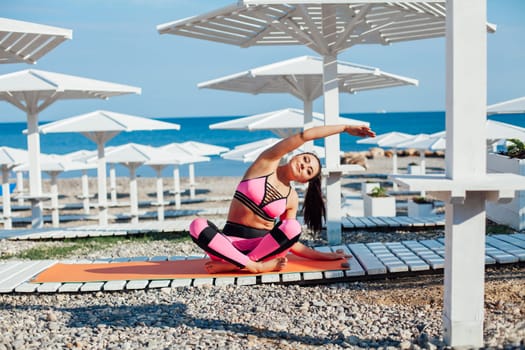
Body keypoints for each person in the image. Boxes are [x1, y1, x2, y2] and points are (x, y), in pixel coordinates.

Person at [189, 124, 376, 274]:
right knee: (197, 225)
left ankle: (244, 264)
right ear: (296, 155)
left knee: (293, 226)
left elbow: (290, 240)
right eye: (305, 160)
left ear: (304, 180)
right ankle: (252, 266)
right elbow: (305, 136)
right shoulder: (266, 164)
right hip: (227, 247)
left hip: (260, 250)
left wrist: (326, 256)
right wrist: (343, 128)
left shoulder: (291, 197)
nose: (304, 166)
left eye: (308, 171)